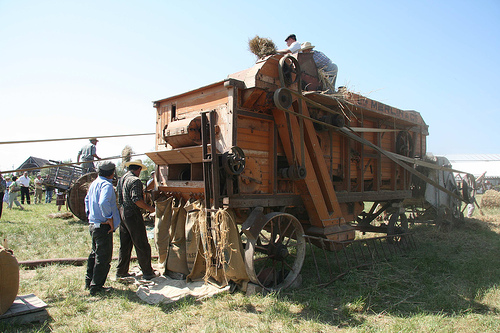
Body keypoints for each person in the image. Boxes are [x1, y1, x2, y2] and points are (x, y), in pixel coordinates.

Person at [116, 159, 157, 280]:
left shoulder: (122, 179)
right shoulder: (135, 181)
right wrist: (150, 208)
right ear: (138, 169)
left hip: (122, 212)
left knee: (125, 244)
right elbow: (137, 200)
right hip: (132, 213)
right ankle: (148, 272)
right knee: (142, 244)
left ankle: (121, 271)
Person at [85, 161, 121, 295]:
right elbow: (103, 201)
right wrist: (109, 218)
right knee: (103, 258)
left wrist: (90, 215)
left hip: (93, 224)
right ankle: (96, 287)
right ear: (111, 173)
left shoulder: (94, 183)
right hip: (103, 226)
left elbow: (87, 200)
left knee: (94, 254)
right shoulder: (107, 185)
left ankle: (89, 282)